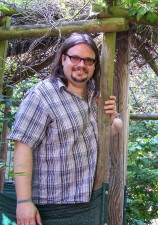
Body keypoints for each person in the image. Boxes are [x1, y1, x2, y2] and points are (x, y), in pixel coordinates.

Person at [7, 33, 123, 225]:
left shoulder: (98, 91)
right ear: (63, 59)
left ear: (94, 65)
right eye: (75, 58)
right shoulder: (41, 95)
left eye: (88, 60)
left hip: (90, 202)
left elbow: (114, 128)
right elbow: (22, 147)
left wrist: (111, 121)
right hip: (51, 207)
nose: (81, 64)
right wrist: (24, 201)